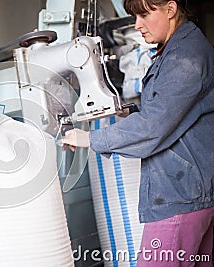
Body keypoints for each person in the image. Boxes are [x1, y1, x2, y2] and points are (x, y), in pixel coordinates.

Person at [60, 0, 214, 266]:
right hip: (193, 192)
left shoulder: (185, 56)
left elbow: (154, 127)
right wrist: (130, 113)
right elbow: (175, 111)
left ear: (170, 8)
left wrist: (90, 138)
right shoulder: (177, 48)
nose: (137, 25)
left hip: (180, 195)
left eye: (144, 15)